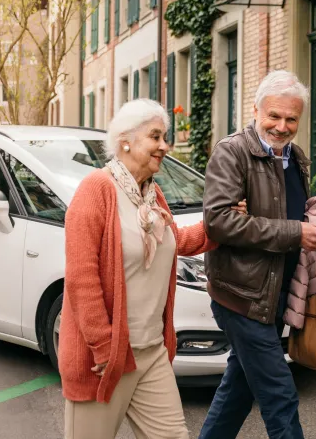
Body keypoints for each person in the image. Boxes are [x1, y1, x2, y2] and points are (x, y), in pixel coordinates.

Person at [60, 98, 246, 439]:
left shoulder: (151, 195)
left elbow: (175, 242)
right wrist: (104, 349)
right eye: (155, 137)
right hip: (105, 360)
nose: (164, 146)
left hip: (151, 353)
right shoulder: (96, 190)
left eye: (165, 137)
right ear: (125, 140)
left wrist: (223, 224)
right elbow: (81, 279)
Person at [199, 71, 316, 439]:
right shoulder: (233, 151)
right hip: (242, 295)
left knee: (237, 391)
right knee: (280, 396)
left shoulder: (296, 157)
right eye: (274, 116)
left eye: (291, 118)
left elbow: (289, 213)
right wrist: (297, 232)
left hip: (275, 293)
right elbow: (218, 222)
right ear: (255, 109)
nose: (282, 126)